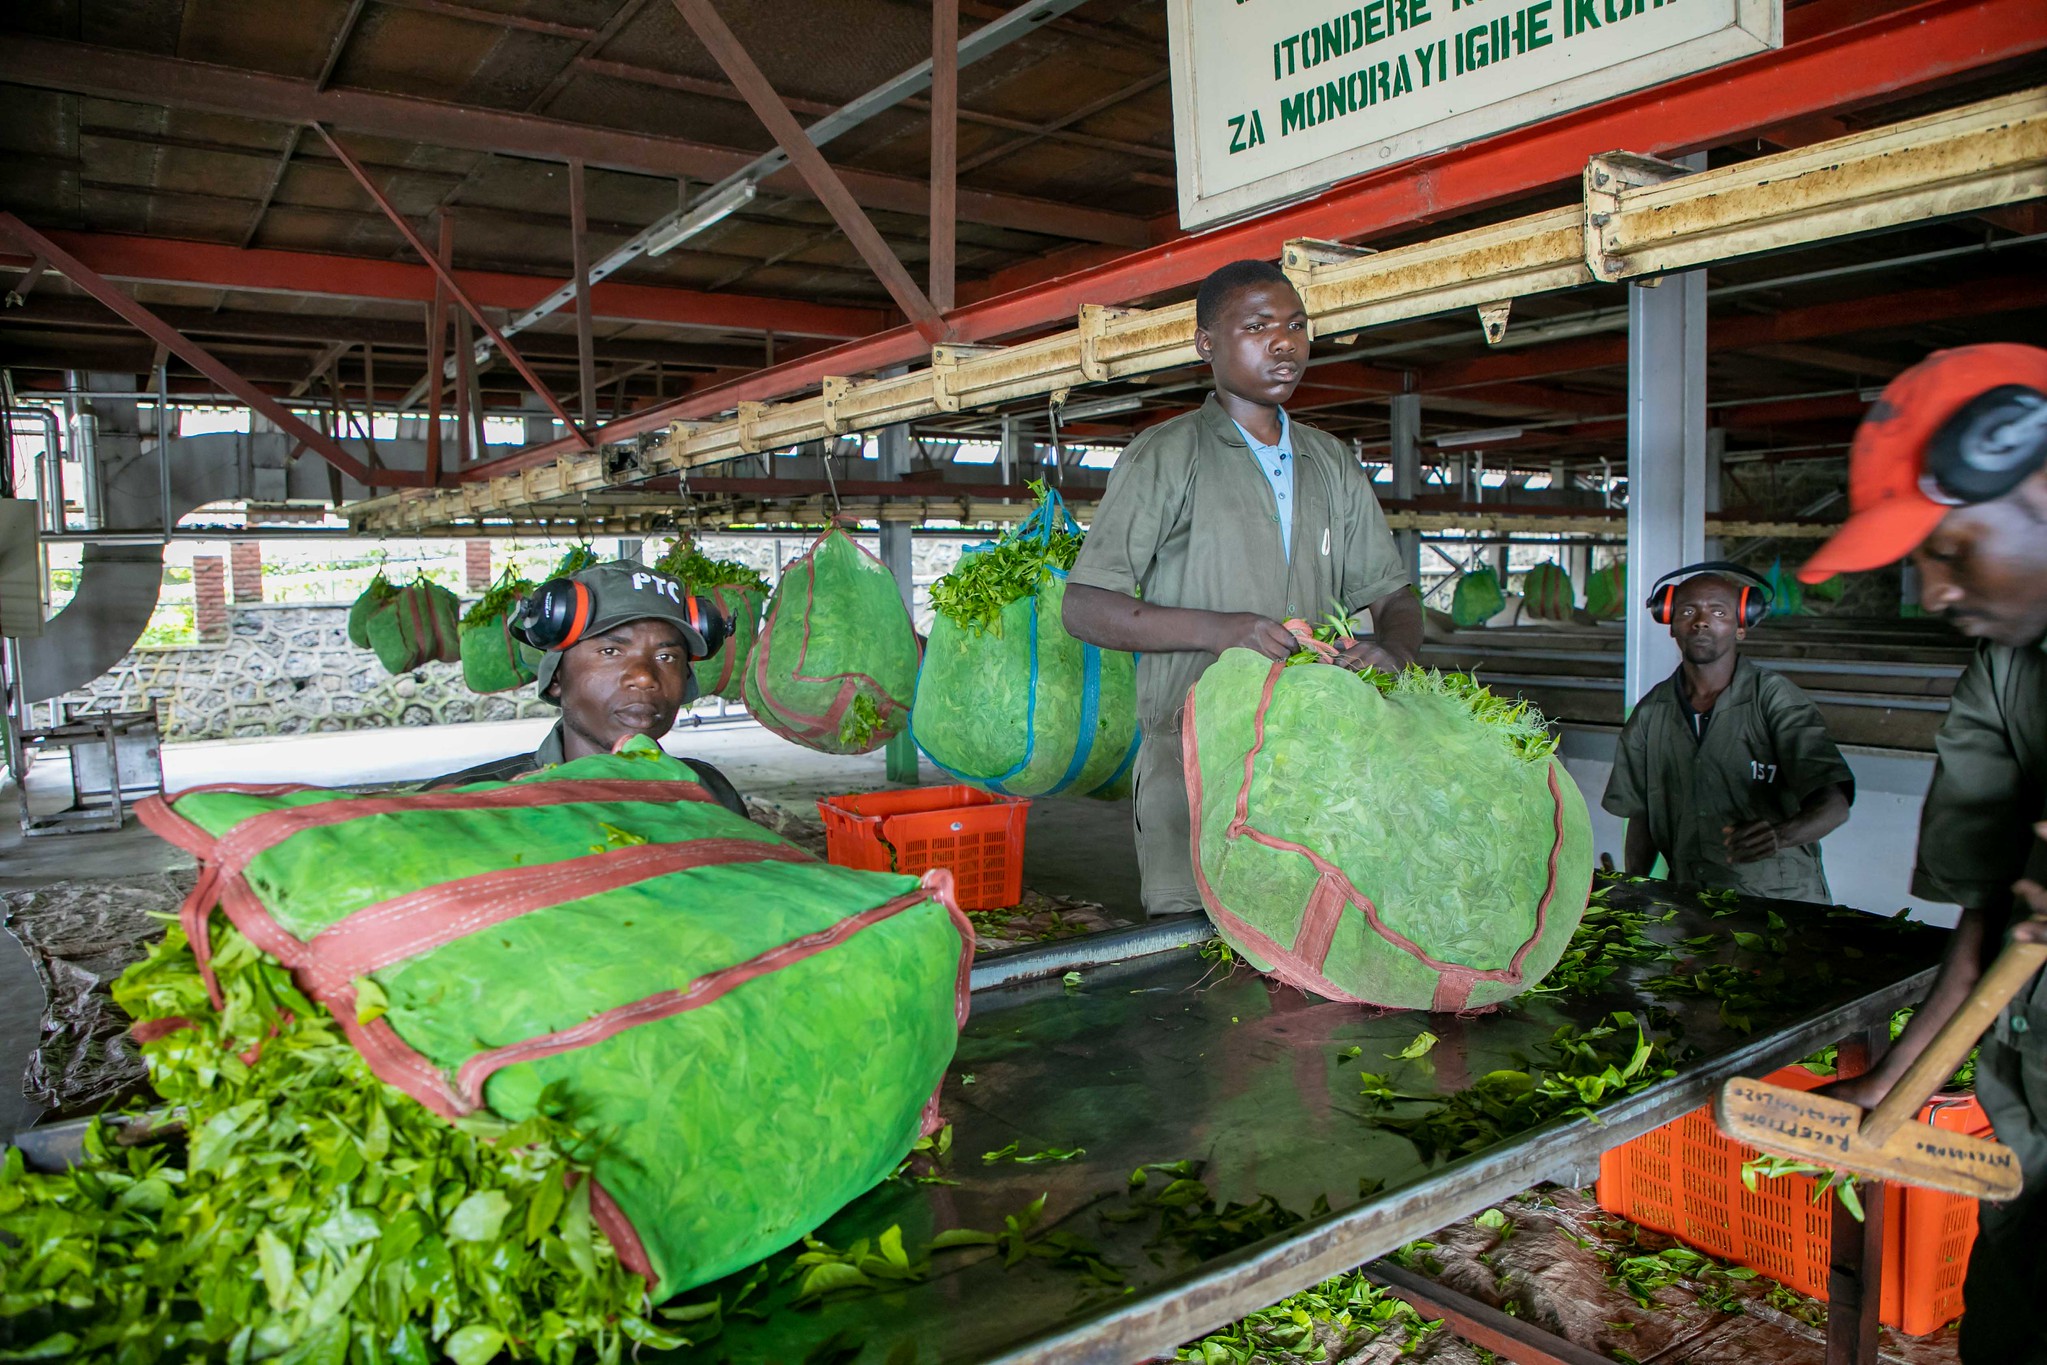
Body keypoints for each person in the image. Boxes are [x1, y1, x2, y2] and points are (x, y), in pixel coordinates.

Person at [1793, 343, 2047, 1365]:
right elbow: (1986, 905)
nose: (1931, 591)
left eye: (1945, 547)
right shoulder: (2004, 672)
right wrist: (1895, 1082)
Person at [1063, 259, 1420, 918]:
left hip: (1312, 761)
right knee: (1200, 973)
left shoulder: (1330, 460)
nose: (1283, 343)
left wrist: (1390, 651)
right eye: (1257, 327)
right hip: (1194, 764)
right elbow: (1084, 606)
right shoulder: (1166, 455)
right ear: (1207, 344)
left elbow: (1394, 596)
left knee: (1305, 957)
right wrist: (1225, 629)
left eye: (1295, 326)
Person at [1601, 567, 1854, 902]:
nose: (1701, 621)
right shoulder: (1650, 713)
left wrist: (1779, 835)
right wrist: (1634, 886)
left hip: (1781, 902)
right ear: (1671, 623)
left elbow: (1834, 804)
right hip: (1691, 900)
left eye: (1718, 612)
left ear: (1741, 627)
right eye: (1688, 611)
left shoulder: (1774, 698)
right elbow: (1642, 814)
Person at [427, 559, 748, 815]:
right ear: (556, 679)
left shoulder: (710, 793)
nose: (645, 677)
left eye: (666, 656)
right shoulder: (465, 807)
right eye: (611, 652)